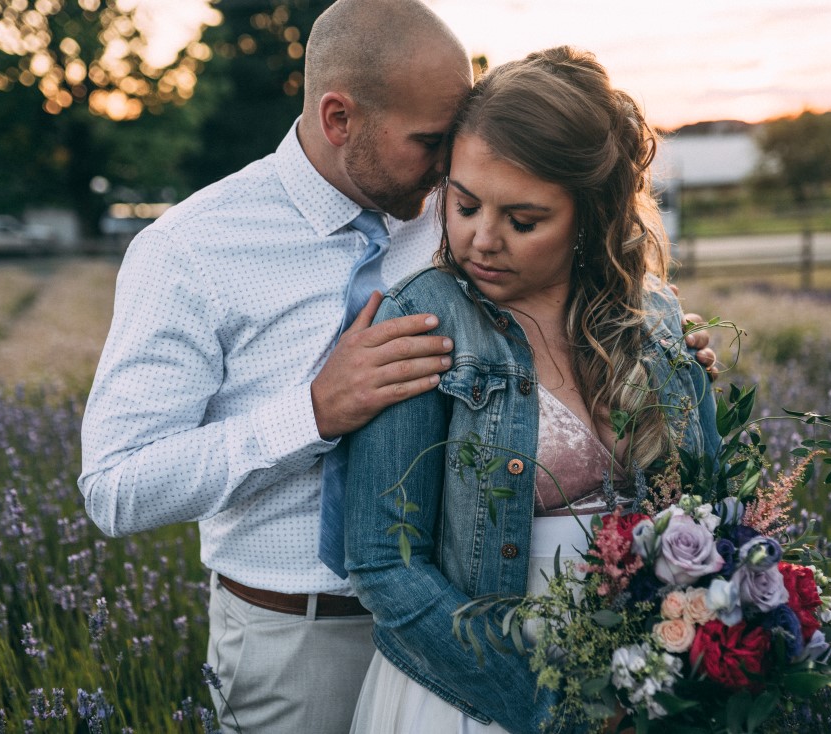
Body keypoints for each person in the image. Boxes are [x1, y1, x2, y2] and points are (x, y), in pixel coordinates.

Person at [79, 1, 714, 731]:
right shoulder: (190, 251)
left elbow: (560, 291)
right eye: (432, 142)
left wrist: (653, 346)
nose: (453, 170)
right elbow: (115, 487)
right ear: (340, 119)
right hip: (298, 636)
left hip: (473, 618)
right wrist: (313, 412)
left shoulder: (463, 209)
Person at [343, 46, 722, 734]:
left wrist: (681, 662)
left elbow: (711, 511)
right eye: (462, 204)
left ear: (591, 215)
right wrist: (545, 707)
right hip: (478, 690)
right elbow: (381, 563)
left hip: (647, 686)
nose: (480, 240)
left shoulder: (658, 321)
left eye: (523, 221)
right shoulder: (423, 322)